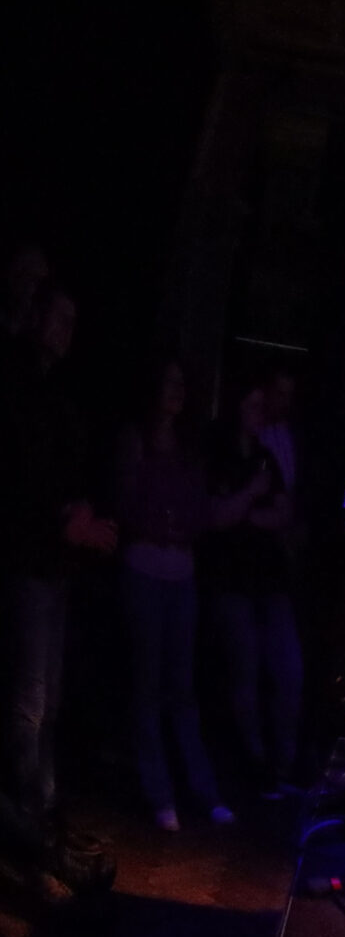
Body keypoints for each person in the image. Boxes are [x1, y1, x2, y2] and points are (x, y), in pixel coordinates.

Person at [1, 286, 116, 864]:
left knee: (49, 695)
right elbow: (19, 477)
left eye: (74, 320)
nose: (66, 330)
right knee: (30, 698)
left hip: (54, 564)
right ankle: (27, 818)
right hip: (26, 558)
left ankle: (42, 810)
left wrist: (82, 511)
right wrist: (63, 516)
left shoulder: (58, 396)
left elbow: (62, 471)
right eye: (59, 317)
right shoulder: (17, 388)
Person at [115, 360, 235, 831]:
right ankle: (159, 793)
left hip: (181, 572)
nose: (176, 390)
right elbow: (127, 503)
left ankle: (203, 791)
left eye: (181, 383)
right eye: (168, 382)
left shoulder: (188, 449)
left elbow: (199, 510)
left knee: (182, 688)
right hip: (145, 569)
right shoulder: (137, 441)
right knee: (148, 685)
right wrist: (159, 524)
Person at [201, 383, 302, 792]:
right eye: (254, 404)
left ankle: (284, 764)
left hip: (270, 580)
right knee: (244, 672)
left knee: (288, 671)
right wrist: (250, 498)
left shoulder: (265, 457)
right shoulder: (219, 457)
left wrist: (246, 513)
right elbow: (216, 517)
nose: (261, 411)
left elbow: (283, 513)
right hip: (232, 581)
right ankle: (255, 763)